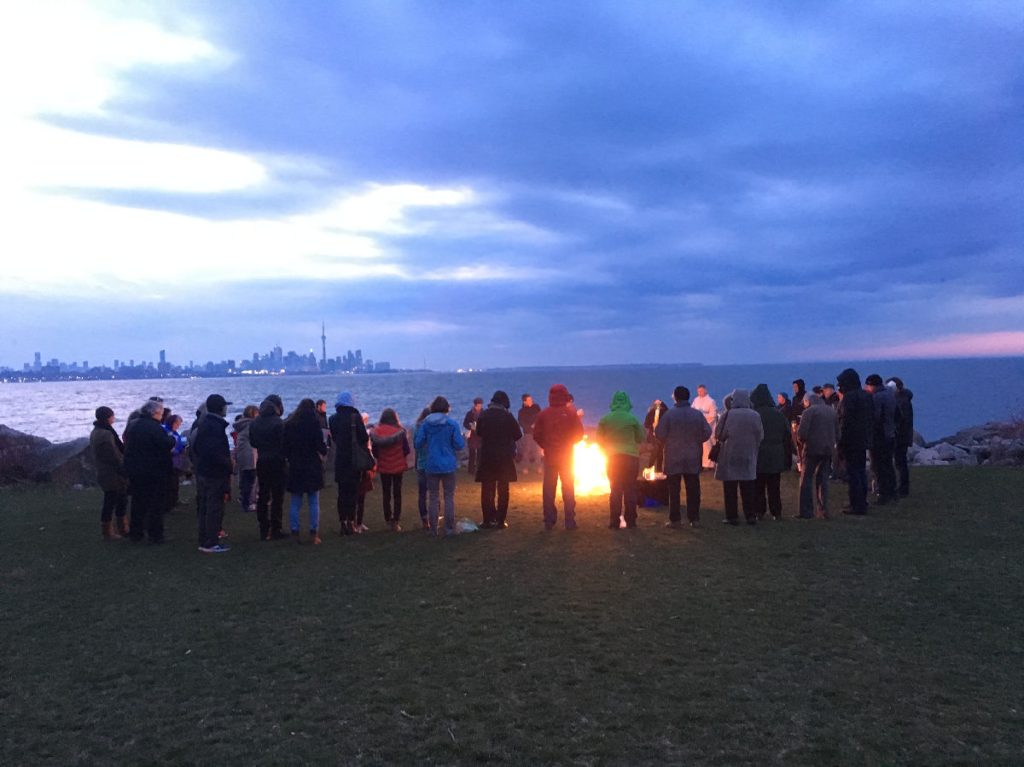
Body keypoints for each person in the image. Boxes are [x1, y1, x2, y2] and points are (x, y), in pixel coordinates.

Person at [655, 386, 712, 528]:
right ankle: (694, 518)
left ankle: (675, 520)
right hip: (692, 455)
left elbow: (660, 434)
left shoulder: (669, 415)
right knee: (693, 489)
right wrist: (696, 440)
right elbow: (707, 431)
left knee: (674, 490)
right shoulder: (696, 414)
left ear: (675, 397)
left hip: (673, 456)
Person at [531, 384, 584, 530]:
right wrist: (569, 443)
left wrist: (545, 445)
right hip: (567, 457)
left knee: (548, 489)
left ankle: (549, 520)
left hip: (550, 457)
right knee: (568, 488)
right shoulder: (571, 413)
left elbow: (536, 435)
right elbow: (579, 434)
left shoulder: (543, 414)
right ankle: (569, 521)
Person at [123, 398, 175, 544]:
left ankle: (136, 533)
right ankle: (155, 534)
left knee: (138, 502)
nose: (162, 415)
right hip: (153, 471)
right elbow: (165, 444)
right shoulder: (154, 427)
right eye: (161, 412)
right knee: (156, 504)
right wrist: (172, 440)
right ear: (155, 413)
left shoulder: (133, 424)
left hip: (135, 469)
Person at [414, 396, 466, 536]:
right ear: (447, 408)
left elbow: (418, 444)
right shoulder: (452, 424)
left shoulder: (426, 424)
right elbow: (459, 445)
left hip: (432, 464)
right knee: (449, 496)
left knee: (433, 497)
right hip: (448, 464)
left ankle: (433, 529)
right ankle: (449, 529)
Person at [192, 394, 234, 554]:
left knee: (206, 506)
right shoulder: (214, 427)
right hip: (214, 473)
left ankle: (205, 539)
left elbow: (197, 447)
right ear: (220, 408)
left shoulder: (204, 424)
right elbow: (214, 452)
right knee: (213, 507)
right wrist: (227, 463)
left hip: (204, 471)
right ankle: (210, 542)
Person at [714, 389, 764, 526]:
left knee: (730, 488)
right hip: (748, 455)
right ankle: (750, 515)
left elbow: (718, 434)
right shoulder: (755, 415)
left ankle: (732, 516)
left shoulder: (728, 414)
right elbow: (760, 435)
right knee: (748, 487)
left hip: (730, 455)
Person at [474, 391, 522, 529]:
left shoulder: (484, 414)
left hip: (487, 456)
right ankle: (501, 521)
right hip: (504, 457)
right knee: (503, 489)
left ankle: (487, 519)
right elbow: (518, 434)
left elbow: (479, 432)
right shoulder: (507, 416)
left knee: (487, 489)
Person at [597, 391, 645, 529]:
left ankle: (614, 521)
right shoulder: (632, 419)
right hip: (630, 457)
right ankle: (631, 521)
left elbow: (599, 439)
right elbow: (640, 438)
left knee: (615, 489)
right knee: (630, 489)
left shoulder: (605, 419)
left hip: (612, 458)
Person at [284, 398, 328, 543]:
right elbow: (320, 446)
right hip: (312, 465)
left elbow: (286, 446)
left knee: (295, 501)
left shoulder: (290, 424)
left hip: (296, 465)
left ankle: (295, 533)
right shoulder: (314, 423)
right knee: (313, 500)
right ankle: (313, 533)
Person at [750, 384, 793, 521]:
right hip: (776, 453)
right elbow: (787, 434)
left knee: (759, 485)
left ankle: (759, 511)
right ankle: (776, 512)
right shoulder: (778, 414)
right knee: (774, 486)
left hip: (759, 453)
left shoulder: (754, 415)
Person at [327, 393, 368, 536]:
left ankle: (342, 522)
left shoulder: (332, 419)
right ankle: (351, 522)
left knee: (342, 492)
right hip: (354, 459)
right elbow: (364, 437)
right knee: (353, 492)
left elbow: (335, 438)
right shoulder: (355, 418)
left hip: (340, 459)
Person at [249, 395, 288, 540]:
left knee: (263, 496)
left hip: (262, 460)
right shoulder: (279, 423)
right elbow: (285, 443)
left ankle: (263, 528)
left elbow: (253, 443)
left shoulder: (255, 423)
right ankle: (276, 528)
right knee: (278, 497)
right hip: (277, 461)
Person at [836, 368, 874, 515]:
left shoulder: (849, 398)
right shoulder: (866, 396)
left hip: (851, 440)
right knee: (860, 471)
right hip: (863, 439)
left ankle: (856, 504)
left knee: (853, 473)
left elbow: (846, 422)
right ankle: (861, 501)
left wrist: (841, 442)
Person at [797, 393, 839, 518]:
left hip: (812, 449)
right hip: (828, 450)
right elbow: (838, 433)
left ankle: (806, 511)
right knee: (823, 480)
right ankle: (823, 510)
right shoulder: (832, 412)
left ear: (807, 401)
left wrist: (801, 442)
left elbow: (802, 433)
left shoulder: (809, 412)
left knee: (806, 480)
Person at [90, 406, 129, 540]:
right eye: (112, 416)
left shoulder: (98, 431)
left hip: (106, 471)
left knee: (116, 499)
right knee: (113, 499)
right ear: (108, 417)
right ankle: (110, 531)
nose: (114, 418)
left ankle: (121, 527)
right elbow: (112, 455)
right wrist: (123, 467)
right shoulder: (105, 434)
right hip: (111, 473)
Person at [370, 408, 409, 532]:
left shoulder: (377, 432)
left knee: (386, 493)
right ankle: (396, 520)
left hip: (384, 466)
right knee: (397, 494)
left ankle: (388, 518)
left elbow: (375, 452)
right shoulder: (400, 432)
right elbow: (406, 450)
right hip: (398, 466)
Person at [865, 373, 900, 505]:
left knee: (878, 466)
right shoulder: (890, 395)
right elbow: (898, 414)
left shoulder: (877, 397)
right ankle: (892, 491)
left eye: (868, 386)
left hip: (880, 436)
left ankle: (883, 494)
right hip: (890, 434)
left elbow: (875, 417)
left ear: (872, 385)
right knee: (888, 465)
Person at [887, 376, 914, 497]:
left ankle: (903, 488)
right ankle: (902, 487)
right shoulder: (904, 399)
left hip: (900, 436)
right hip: (903, 435)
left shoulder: (901, 401)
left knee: (900, 462)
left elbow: (901, 419)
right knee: (900, 462)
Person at [232, 405, 259, 513]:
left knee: (245, 479)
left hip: (243, 454)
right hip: (250, 455)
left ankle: (245, 501)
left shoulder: (242, 425)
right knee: (250, 480)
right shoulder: (251, 425)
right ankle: (248, 503)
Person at [162, 413, 187, 509]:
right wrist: (176, 450)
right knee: (170, 483)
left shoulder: (173, 432)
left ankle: (173, 501)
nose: (178, 426)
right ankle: (169, 503)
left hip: (176, 461)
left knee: (174, 483)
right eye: (178, 424)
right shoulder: (167, 432)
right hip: (170, 461)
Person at [413, 407, 432, 529]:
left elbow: (416, 446)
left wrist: (416, 462)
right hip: (432, 463)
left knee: (422, 493)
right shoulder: (432, 428)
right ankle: (434, 516)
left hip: (421, 462)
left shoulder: (417, 428)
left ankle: (424, 518)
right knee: (434, 492)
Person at [692, 385, 718, 469]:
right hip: (697, 427)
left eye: (701, 391)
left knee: (707, 446)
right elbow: (692, 410)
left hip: (707, 427)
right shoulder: (695, 400)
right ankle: (699, 464)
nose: (700, 393)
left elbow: (713, 415)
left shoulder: (711, 401)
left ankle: (709, 465)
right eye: (698, 391)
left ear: (705, 391)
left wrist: (702, 415)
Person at [516, 393, 542, 475]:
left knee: (538, 451)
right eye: (529, 400)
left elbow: (540, 417)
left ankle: (539, 467)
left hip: (537, 433)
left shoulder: (536, 408)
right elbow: (521, 422)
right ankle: (525, 468)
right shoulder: (521, 411)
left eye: (531, 399)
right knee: (526, 451)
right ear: (524, 402)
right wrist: (530, 427)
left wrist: (536, 424)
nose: (531, 401)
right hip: (528, 433)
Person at [642, 399, 668, 473]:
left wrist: (662, 403)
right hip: (653, 434)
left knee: (659, 452)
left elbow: (667, 411)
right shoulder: (651, 412)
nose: (657, 405)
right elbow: (646, 424)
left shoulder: (664, 412)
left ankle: (658, 470)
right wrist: (652, 425)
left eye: (659, 404)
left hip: (661, 435)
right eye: (656, 404)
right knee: (656, 450)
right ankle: (651, 468)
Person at [462, 398, 484, 474]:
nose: (479, 407)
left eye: (480, 405)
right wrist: (470, 426)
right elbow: (465, 423)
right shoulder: (470, 414)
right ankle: (471, 470)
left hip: (481, 436)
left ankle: (479, 470)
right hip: (472, 436)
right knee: (472, 454)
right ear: (474, 405)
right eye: (477, 406)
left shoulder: (484, 413)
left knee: (480, 454)